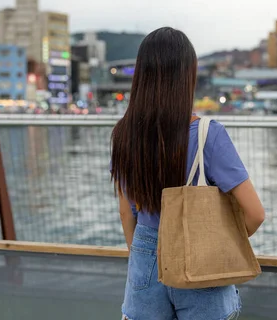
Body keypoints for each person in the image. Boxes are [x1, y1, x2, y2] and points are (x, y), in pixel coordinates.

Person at [110, 27, 265, 320]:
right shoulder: (209, 134)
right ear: (188, 76)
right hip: (200, 263)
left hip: (145, 259)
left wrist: (146, 255)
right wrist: (216, 244)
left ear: (141, 75)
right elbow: (255, 213)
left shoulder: (123, 134)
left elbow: (126, 212)